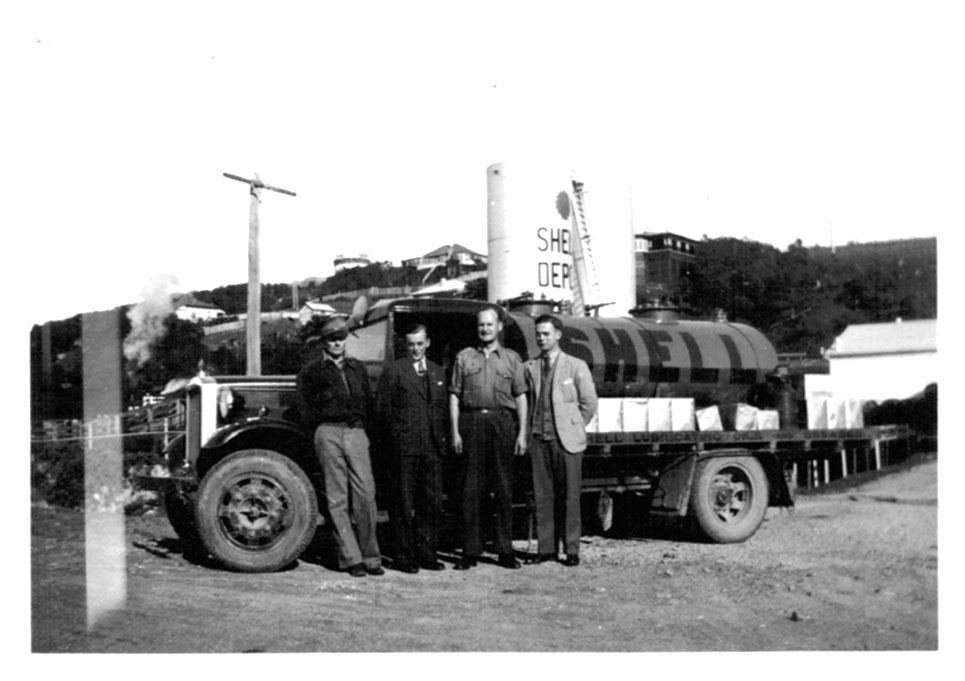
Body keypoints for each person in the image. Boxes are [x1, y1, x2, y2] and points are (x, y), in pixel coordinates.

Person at [295, 316, 383, 578]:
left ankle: (371, 557)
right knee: (337, 498)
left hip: (356, 432)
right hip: (328, 432)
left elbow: (367, 401)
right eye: (332, 339)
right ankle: (351, 558)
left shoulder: (357, 368)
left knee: (365, 494)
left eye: (341, 338)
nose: (337, 343)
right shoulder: (311, 371)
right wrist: (320, 430)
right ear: (324, 341)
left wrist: (363, 430)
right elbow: (303, 407)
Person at [449, 306, 528, 570]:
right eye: (481, 325)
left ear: (499, 327)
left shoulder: (512, 359)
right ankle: (470, 550)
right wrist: (455, 431)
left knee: (503, 489)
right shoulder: (464, 357)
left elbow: (521, 397)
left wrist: (522, 433)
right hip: (471, 422)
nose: (484, 329)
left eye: (489, 324)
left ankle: (505, 550)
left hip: (502, 423)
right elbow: (454, 396)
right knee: (470, 490)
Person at [522, 314, 598, 567]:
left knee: (570, 497)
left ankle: (572, 550)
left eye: (546, 334)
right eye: (538, 334)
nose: (541, 338)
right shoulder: (530, 367)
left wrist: (574, 426)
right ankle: (546, 550)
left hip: (566, 442)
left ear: (558, 335)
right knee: (542, 497)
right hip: (538, 439)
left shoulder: (575, 366)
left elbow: (589, 403)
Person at [377, 324, 448, 573]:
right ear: (405, 346)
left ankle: (427, 554)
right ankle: (404, 556)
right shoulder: (395, 370)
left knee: (431, 503)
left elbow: (441, 409)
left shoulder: (438, 371)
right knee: (402, 504)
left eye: (419, 344)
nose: (415, 349)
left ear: (427, 343)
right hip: (404, 449)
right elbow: (383, 410)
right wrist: (396, 439)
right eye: (410, 345)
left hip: (432, 448)